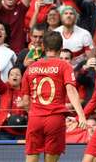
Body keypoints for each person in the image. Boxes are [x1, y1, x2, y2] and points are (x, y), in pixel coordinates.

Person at [21, 31, 87, 162]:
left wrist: (33, 113)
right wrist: (81, 115)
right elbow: (71, 90)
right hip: (55, 120)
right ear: (61, 48)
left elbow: (25, 101)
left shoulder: (31, 68)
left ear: (44, 47)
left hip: (35, 119)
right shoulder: (64, 65)